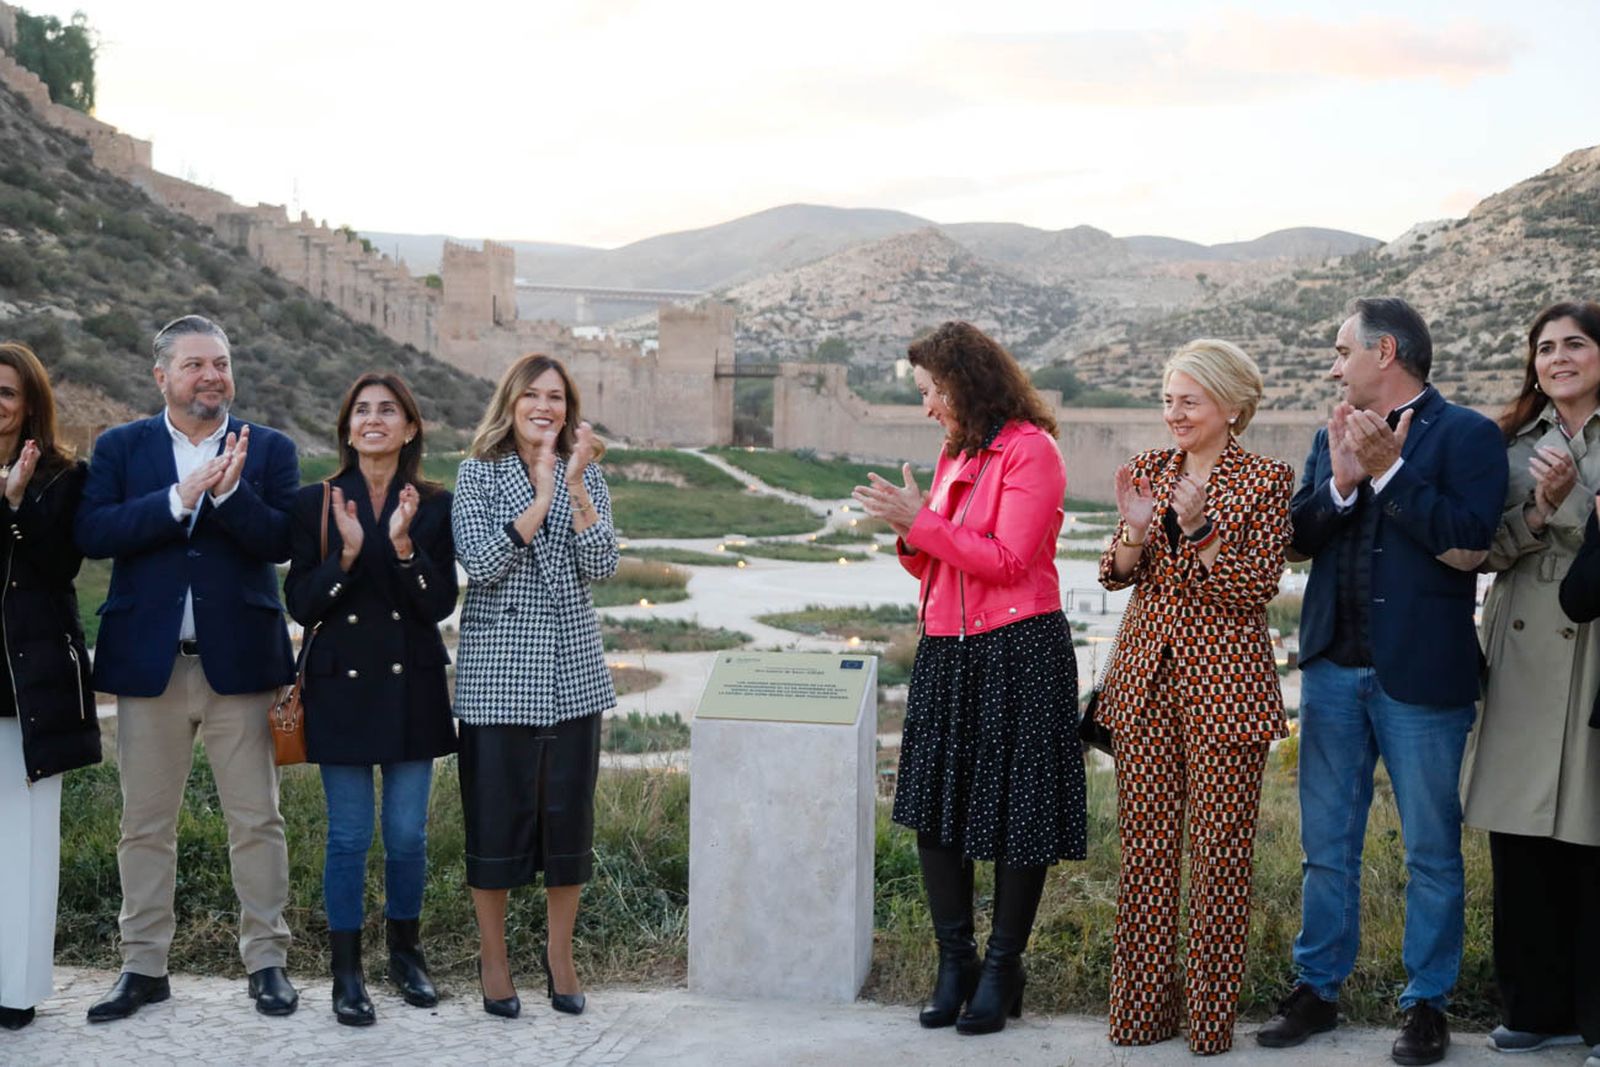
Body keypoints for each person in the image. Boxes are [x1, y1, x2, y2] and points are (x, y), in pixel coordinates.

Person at [1258, 297, 1506, 1066]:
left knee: (1432, 849)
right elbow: (1296, 537)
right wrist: (1335, 486)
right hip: (1332, 668)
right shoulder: (1329, 431)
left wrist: (1388, 472)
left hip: (1422, 680)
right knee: (1326, 846)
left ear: (1385, 351)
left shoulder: (1467, 435)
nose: (1334, 366)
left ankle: (1427, 1003)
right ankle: (1317, 987)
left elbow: (1469, 537)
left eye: (1341, 351)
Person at [853, 320, 1086, 1037]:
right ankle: (953, 962)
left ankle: (1001, 965)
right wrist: (910, 530)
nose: (927, 407)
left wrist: (918, 522)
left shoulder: (1032, 452)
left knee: (1019, 817)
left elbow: (1008, 560)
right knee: (936, 807)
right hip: (949, 650)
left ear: (967, 383)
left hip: (1020, 648)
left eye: (932, 391)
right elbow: (940, 560)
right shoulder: (957, 451)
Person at [74, 315, 301, 1021]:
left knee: (257, 819)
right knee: (144, 824)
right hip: (151, 667)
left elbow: (284, 537)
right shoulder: (119, 447)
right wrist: (181, 498)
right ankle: (143, 966)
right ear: (162, 376)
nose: (211, 375)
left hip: (241, 666)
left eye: (221, 363)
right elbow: (95, 531)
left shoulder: (268, 449)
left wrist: (229, 495)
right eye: (196, 364)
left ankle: (267, 961)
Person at [1096, 339, 1292, 1054]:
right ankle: (1142, 1015)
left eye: (1189, 400)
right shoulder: (1148, 469)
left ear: (1232, 407)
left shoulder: (1267, 480)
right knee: (1145, 851)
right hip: (1144, 682)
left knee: (1220, 855)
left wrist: (1204, 525)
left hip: (1227, 689)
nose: (1173, 413)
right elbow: (1114, 573)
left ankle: (1210, 1024)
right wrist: (1137, 532)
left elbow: (1252, 588)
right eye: (1168, 399)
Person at [284, 373, 458, 1026]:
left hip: (411, 685)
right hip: (340, 689)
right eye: (362, 409)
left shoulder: (435, 504)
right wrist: (349, 555)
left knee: (408, 835)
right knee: (350, 834)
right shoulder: (314, 503)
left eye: (389, 409)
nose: (375, 418)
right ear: (347, 427)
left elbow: (440, 604)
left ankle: (405, 954)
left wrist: (407, 545)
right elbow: (300, 602)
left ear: (410, 426)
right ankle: (347, 971)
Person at [451, 352, 618, 1020]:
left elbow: (601, 563)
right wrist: (542, 496)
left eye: (556, 397)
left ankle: (559, 955)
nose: (544, 407)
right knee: (495, 821)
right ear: (511, 404)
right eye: (532, 396)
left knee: (566, 822)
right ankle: (493, 958)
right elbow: (483, 562)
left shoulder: (592, 476)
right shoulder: (477, 474)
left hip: (572, 674)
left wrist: (574, 486)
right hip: (498, 678)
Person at [1462, 301, 1600, 1058]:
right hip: (1520, 648)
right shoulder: (1511, 444)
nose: (1558, 358)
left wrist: (1570, 501)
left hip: (1593, 648)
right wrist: (1540, 514)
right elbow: (1487, 549)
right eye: (1545, 348)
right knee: (1520, 837)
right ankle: (1534, 1008)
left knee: (1589, 836)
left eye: (1575, 343)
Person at [0, 342, 100, 1031]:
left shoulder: (66, 476)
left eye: (6, 392)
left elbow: (59, 561)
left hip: (29, 682)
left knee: (26, 841)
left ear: (30, 402)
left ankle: (17, 986)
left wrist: (12, 505)